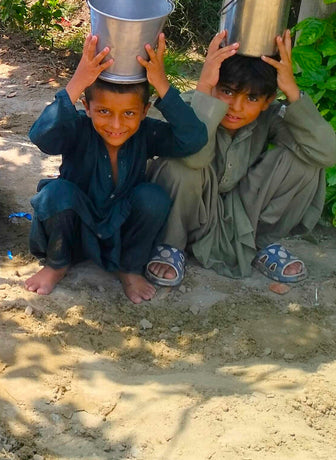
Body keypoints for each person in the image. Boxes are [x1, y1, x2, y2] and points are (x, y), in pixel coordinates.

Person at [25, 32, 208, 303]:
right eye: (104, 112)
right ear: (87, 107)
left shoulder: (147, 133)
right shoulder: (76, 127)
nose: (116, 125)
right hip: (75, 226)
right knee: (56, 193)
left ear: (145, 111)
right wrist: (77, 82)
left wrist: (161, 84)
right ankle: (57, 263)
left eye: (129, 113)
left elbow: (193, 138)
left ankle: (129, 269)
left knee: (153, 198)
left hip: (120, 229)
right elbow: (41, 136)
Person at [146, 30, 336, 286]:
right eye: (227, 91)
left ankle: (262, 243)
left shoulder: (268, 117)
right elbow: (193, 159)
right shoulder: (192, 105)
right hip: (195, 212)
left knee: (306, 161)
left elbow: (326, 152)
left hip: (242, 214)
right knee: (179, 166)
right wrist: (204, 88)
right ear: (214, 86)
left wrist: (291, 89)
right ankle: (171, 245)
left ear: (268, 100)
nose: (236, 106)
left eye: (252, 98)